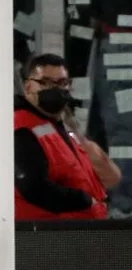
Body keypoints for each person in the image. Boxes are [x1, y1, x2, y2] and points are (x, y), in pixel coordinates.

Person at [15, 53, 121, 220]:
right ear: (29, 87)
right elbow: (33, 188)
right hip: (54, 234)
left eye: (62, 83)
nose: (56, 89)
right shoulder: (22, 126)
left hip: (81, 228)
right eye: (46, 83)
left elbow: (111, 177)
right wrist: (85, 200)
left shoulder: (58, 125)